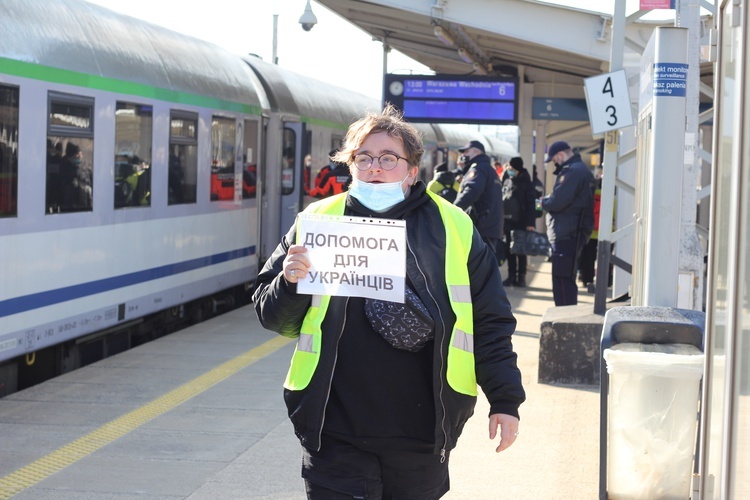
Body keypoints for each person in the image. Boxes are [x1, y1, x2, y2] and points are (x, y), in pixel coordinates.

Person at [253, 104, 525, 499]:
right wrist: (289, 282)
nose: (374, 167)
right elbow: (272, 317)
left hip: (422, 434)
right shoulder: (317, 221)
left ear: (413, 171)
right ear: (349, 165)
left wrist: (504, 398)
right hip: (333, 429)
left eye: (387, 158)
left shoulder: (453, 227)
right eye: (362, 157)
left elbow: (490, 320)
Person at [541, 140, 595, 306]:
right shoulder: (578, 170)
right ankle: (564, 313)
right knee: (564, 276)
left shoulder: (572, 172)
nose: (554, 163)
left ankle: (564, 317)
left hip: (567, 231)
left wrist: (543, 202)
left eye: (554, 160)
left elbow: (558, 201)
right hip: (571, 230)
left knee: (562, 278)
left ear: (561, 155)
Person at [453, 140, 505, 266]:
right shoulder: (489, 169)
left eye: (466, 151)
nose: (463, 154)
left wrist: (453, 210)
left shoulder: (478, 169)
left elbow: (471, 191)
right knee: (486, 265)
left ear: (476, 152)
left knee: (479, 266)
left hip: (482, 225)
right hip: (490, 224)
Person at [501, 157, 537, 287]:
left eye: (510, 167)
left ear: (515, 168)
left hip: (521, 222)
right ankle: (511, 276)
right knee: (509, 250)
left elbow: (531, 204)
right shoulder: (508, 181)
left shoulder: (526, 182)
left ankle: (521, 278)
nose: (508, 169)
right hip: (508, 221)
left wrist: (530, 223)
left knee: (520, 250)